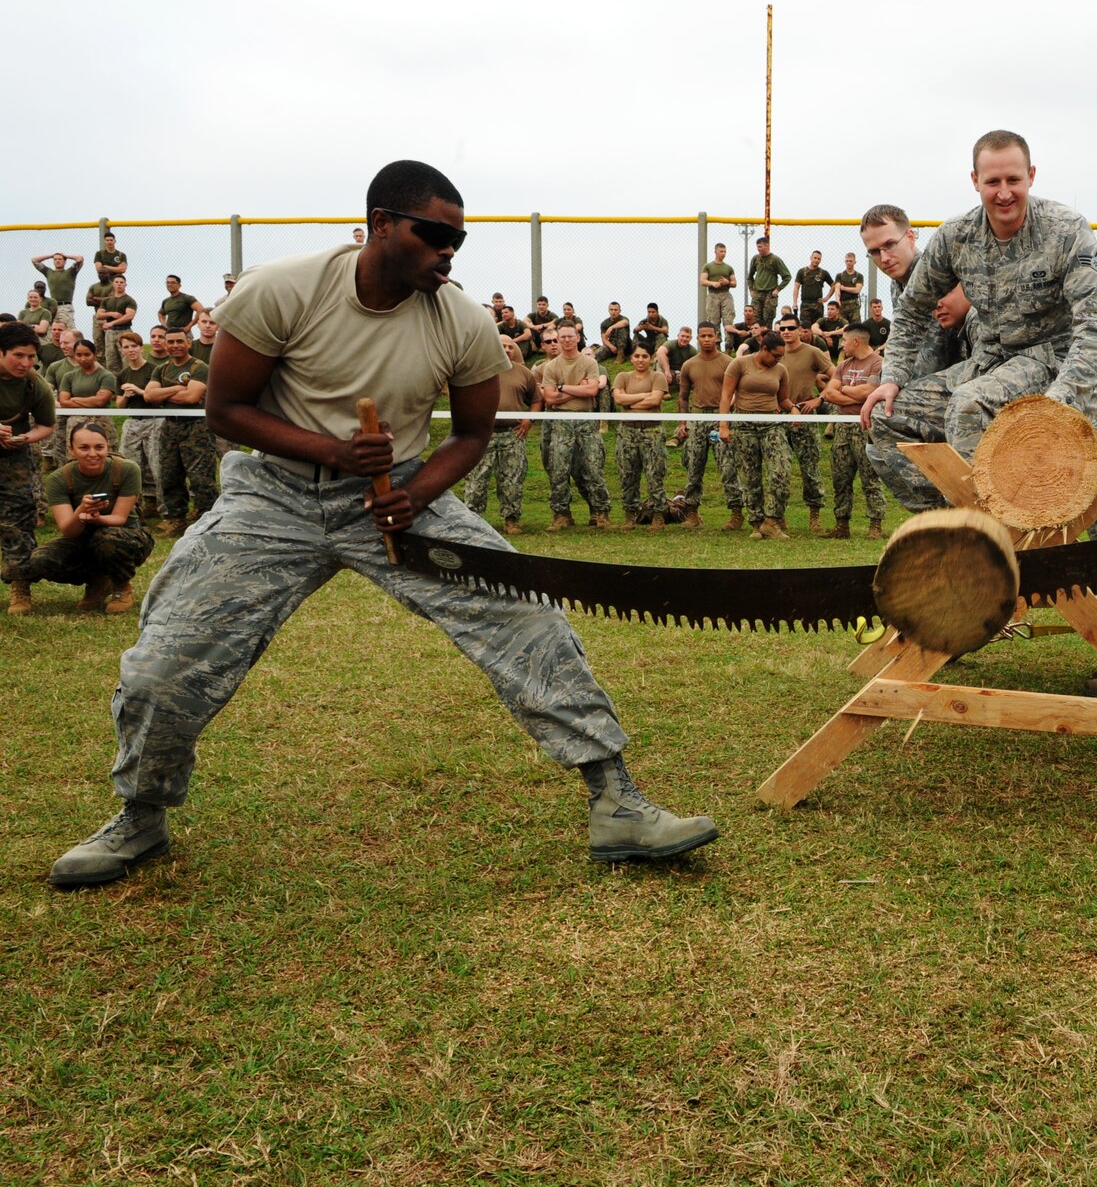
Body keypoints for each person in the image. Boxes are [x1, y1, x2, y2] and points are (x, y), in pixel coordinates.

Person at [47, 160, 715, 890]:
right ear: (380, 226)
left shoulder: (461, 319)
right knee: (165, 659)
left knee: (526, 613)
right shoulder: (286, 289)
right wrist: (334, 450)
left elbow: (469, 433)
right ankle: (140, 816)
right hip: (273, 497)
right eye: (433, 233)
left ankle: (616, 800)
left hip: (398, 495)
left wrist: (413, 490)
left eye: (458, 237)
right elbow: (228, 410)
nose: (448, 249)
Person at [855, 133, 1097, 646]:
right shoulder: (957, 236)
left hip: (1060, 363)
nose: (1004, 192)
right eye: (992, 181)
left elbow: (1094, 327)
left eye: (1013, 180)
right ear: (975, 181)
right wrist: (890, 380)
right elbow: (910, 309)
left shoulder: (1066, 229)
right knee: (888, 418)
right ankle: (969, 552)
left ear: (1031, 177)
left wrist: (1060, 407)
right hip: (993, 362)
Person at [25, 419, 153, 613]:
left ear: (107, 447)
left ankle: (121, 586)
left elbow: (120, 518)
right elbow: (68, 530)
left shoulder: (126, 469)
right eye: (84, 448)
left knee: (107, 539)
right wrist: (81, 511)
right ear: (71, 450)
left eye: (99, 447)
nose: (92, 454)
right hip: (82, 537)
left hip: (126, 535)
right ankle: (98, 580)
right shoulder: (59, 479)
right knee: (39, 560)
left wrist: (97, 519)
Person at [0, 321, 57, 615]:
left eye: (31, 356)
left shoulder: (34, 383)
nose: (26, 363)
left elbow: (47, 424)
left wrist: (24, 438)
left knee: (18, 520)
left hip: (13, 457)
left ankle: (20, 586)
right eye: (18, 355)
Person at [460, 334, 541, 535]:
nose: (506, 350)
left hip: (512, 435)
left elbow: (537, 401)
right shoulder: (479, 370)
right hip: (482, 435)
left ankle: (511, 520)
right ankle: (473, 520)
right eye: (501, 346)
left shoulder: (523, 373)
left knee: (512, 480)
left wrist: (529, 419)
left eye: (510, 346)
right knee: (477, 479)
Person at [719, 330, 794, 540]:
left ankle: (771, 520)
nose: (779, 359)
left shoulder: (781, 370)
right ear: (763, 349)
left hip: (771, 424)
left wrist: (794, 409)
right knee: (749, 476)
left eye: (781, 356)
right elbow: (726, 395)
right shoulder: (739, 364)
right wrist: (724, 424)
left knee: (782, 469)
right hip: (743, 423)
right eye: (776, 355)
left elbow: (783, 400)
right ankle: (756, 523)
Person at [143, 328, 218, 535]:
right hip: (170, 426)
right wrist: (177, 388)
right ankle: (176, 518)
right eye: (171, 342)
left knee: (201, 477)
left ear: (188, 343)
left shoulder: (199, 367)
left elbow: (191, 398)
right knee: (169, 474)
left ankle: (207, 518)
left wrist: (163, 394)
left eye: (179, 341)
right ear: (165, 345)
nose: (175, 345)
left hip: (196, 427)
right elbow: (149, 396)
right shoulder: (161, 369)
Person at [537, 324, 611, 530]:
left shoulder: (589, 362)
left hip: (586, 420)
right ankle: (561, 514)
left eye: (571, 336)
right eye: (563, 337)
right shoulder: (551, 367)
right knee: (559, 467)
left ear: (578, 338)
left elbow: (593, 390)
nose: (567, 340)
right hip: (561, 421)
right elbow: (549, 397)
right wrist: (579, 388)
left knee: (593, 467)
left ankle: (600, 513)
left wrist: (562, 388)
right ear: (558, 340)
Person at [818, 323, 887, 539]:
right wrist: (853, 394)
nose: (842, 344)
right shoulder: (843, 364)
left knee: (870, 476)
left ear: (856, 341)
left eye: (845, 340)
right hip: (843, 426)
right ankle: (841, 525)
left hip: (866, 425)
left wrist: (844, 390)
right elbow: (829, 393)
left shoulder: (878, 363)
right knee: (841, 476)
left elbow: (871, 391)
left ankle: (875, 525)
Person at [674, 323, 744, 531]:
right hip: (697, 418)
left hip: (720, 417)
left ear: (717, 337)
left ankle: (736, 513)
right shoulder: (689, 365)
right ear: (697, 338)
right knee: (694, 466)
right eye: (702, 336)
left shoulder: (728, 362)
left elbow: (737, 391)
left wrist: (727, 416)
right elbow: (683, 397)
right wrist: (682, 422)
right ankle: (692, 513)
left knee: (728, 467)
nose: (706, 339)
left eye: (709, 336)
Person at [773, 315, 832, 533]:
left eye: (790, 328)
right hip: (780, 418)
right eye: (782, 329)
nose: (786, 332)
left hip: (805, 417)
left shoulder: (812, 352)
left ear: (800, 330)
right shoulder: (775, 353)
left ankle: (814, 516)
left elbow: (835, 378)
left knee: (810, 469)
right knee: (778, 469)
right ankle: (778, 517)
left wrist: (820, 398)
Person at [611, 344, 670, 528]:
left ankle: (658, 513)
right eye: (637, 356)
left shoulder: (658, 377)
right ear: (631, 358)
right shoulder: (623, 377)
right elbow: (618, 399)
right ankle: (631, 514)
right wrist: (644, 396)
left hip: (652, 430)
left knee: (655, 474)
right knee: (628, 474)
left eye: (644, 356)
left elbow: (655, 400)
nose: (640, 360)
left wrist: (630, 403)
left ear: (651, 358)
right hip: (627, 430)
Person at [110, 331, 162, 517]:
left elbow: (159, 400)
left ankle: (162, 508)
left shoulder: (154, 370)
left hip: (154, 421)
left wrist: (140, 392)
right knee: (130, 464)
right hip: (133, 422)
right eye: (126, 347)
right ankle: (133, 508)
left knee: (156, 465)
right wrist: (126, 395)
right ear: (121, 350)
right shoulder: (122, 374)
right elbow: (119, 405)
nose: (130, 350)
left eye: (134, 346)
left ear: (141, 347)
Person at [32, 250, 86, 329]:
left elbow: (80, 259)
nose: (57, 261)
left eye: (60, 259)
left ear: (64, 261)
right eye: (55, 259)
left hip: (65, 306)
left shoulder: (70, 272)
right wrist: (51, 255)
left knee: (69, 329)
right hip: (52, 306)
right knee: (53, 330)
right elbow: (34, 260)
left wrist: (65, 255)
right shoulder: (48, 272)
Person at [747, 236, 790, 327]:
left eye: (760, 246)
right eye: (757, 247)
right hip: (757, 293)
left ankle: (767, 339)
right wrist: (751, 289)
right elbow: (750, 276)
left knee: (767, 320)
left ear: (767, 246)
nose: (759, 249)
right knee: (755, 320)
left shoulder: (775, 259)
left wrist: (778, 289)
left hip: (770, 294)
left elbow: (787, 277)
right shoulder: (756, 259)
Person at [793, 249, 834, 324]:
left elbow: (833, 285)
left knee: (818, 327)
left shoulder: (823, 273)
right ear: (811, 258)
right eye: (815, 258)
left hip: (818, 305)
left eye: (819, 259)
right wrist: (795, 303)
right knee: (805, 328)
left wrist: (827, 297)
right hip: (805, 304)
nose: (816, 260)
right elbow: (796, 287)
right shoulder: (802, 272)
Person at [832, 252, 865, 321]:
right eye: (847, 261)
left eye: (850, 261)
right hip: (842, 304)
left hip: (854, 304)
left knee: (855, 328)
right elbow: (837, 288)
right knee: (842, 327)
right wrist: (837, 300)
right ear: (845, 261)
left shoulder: (859, 276)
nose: (849, 263)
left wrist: (844, 288)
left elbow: (857, 290)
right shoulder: (840, 276)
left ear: (854, 262)